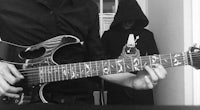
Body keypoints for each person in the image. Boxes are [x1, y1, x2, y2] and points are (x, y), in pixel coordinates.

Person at [0, 0, 167, 105]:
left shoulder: (87, 8)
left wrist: (132, 81)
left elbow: (98, 61)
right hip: (17, 98)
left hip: (77, 99)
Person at [101, 0, 163, 105]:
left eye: (131, 19)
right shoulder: (108, 36)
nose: (128, 22)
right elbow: (100, 60)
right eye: (125, 19)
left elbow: (155, 57)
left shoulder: (146, 35)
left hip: (142, 83)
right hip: (117, 85)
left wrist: (150, 69)